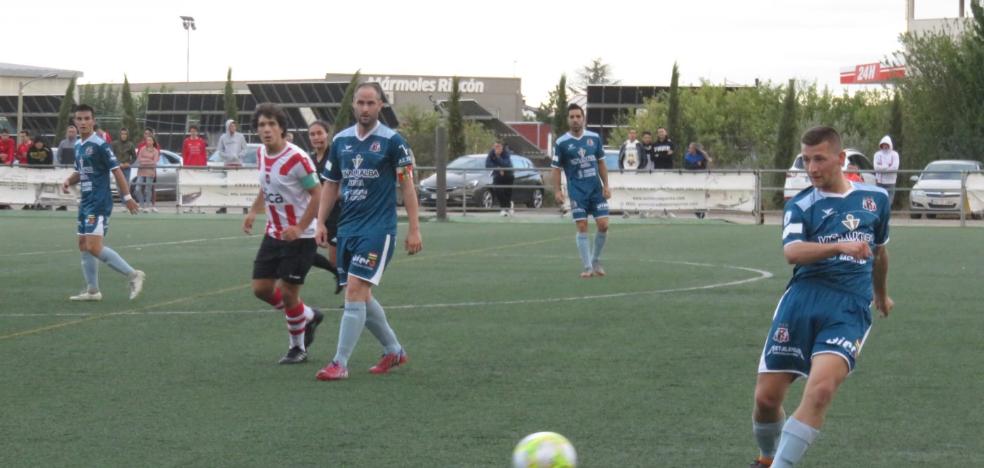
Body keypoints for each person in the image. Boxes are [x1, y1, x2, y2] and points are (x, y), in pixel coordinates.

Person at [749, 126, 892, 468]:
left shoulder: (876, 200)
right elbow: (793, 252)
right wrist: (839, 245)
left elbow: (881, 254)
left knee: (821, 390)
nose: (812, 168)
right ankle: (767, 457)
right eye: (806, 160)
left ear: (840, 159)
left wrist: (881, 295)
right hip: (802, 301)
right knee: (767, 399)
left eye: (819, 159)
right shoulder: (800, 205)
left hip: (848, 305)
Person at [314, 82, 422, 381]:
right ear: (354, 106)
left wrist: (414, 229)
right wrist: (321, 222)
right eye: (360, 103)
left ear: (380, 106)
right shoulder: (341, 141)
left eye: (370, 103)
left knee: (354, 290)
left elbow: (407, 187)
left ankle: (339, 363)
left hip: (378, 229)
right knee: (362, 294)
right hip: (348, 227)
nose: (364, 108)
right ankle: (394, 350)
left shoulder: (393, 142)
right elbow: (331, 185)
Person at [243, 103, 325, 365]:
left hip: (301, 237)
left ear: (281, 128)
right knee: (261, 288)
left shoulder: (297, 158)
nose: (266, 130)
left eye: (271, 124)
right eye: (261, 125)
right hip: (274, 233)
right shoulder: (261, 155)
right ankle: (308, 315)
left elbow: (318, 194)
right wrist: (254, 211)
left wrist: (300, 227)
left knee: (289, 293)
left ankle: (297, 347)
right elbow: (266, 187)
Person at [60, 104, 145, 302]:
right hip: (86, 201)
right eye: (79, 119)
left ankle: (133, 275)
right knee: (83, 244)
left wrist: (128, 198)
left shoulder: (100, 144)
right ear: (75, 121)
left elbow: (116, 171)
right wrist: (68, 180)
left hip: (99, 201)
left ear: (93, 120)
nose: (83, 122)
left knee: (93, 246)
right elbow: (80, 172)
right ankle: (92, 291)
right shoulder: (79, 145)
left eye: (86, 118)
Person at [551, 103, 611, 278]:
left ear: (583, 118)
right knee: (582, 226)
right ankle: (587, 267)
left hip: (595, 189)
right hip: (577, 190)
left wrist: (606, 185)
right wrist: (557, 190)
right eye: (572, 117)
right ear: (568, 120)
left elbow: (601, 162)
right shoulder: (561, 142)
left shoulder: (594, 138)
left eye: (578, 116)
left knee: (604, 225)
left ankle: (595, 259)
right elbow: (555, 168)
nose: (575, 120)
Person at [307, 120, 343, 295]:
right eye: (312, 134)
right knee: (304, 252)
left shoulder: (335, 156)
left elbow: (341, 188)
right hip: (315, 216)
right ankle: (335, 273)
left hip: (337, 215)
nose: (316, 137)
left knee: (337, 260)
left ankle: (352, 298)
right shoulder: (309, 159)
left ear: (327, 134)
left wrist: (324, 203)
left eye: (319, 133)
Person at [485, 140, 515, 216]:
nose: (496, 148)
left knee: (507, 193)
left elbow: (506, 164)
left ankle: (507, 207)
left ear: (502, 147)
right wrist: (497, 168)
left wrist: (498, 156)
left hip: (508, 174)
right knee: (498, 190)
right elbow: (487, 164)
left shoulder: (506, 153)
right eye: (495, 147)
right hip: (498, 174)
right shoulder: (492, 152)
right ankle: (504, 208)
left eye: (498, 147)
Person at [683, 143, 712, 218]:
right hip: (691, 179)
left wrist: (697, 164)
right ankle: (697, 210)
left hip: (701, 178)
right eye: (689, 148)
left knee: (702, 194)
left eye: (691, 148)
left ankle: (702, 210)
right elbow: (687, 167)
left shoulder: (701, 156)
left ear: (694, 149)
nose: (689, 149)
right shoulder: (687, 156)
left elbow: (704, 166)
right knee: (693, 194)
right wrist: (696, 164)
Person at [135, 135, 160, 213]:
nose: (148, 142)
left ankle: (147, 206)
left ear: (153, 142)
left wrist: (144, 161)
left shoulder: (156, 151)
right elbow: (139, 160)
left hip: (150, 172)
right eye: (147, 140)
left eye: (150, 140)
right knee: (137, 188)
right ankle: (141, 204)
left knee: (147, 190)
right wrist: (149, 160)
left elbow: (154, 163)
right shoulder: (142, 149)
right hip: (141, 171)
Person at [873, 135, 899, 205]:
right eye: (883, 144)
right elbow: (876, 167)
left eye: (886, 144)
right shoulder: (877, 154)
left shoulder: (895, 155)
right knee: (879, 201)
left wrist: (881, 168)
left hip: (891, 182)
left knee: (889, 202)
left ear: (889, 144)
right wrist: (887, 166)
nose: (885, 146)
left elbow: (894, 168)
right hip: (879, 182)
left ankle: (887, 215)